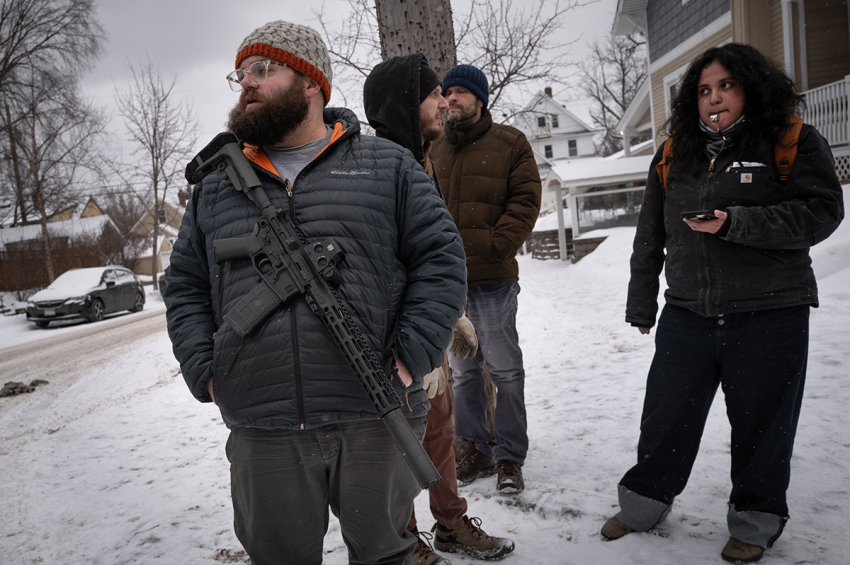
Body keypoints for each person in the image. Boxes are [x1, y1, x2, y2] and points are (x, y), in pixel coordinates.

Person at [164, 21, 467, 565]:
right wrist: (207, 368)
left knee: (386, 554)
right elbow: (184, 283)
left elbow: (441, 262)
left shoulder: (387, 165)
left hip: (378, 413)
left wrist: (409, 357)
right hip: (264, 424)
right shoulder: (215, 187)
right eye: (241, 74)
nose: (246, 84)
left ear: (312, 81)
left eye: (263, 69)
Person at [601, 43, 844, 563]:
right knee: (666, 415)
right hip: (688, 310)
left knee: (762, 424)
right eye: (705, 89)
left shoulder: (791, 141)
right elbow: (650, 234)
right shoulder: (675, 153)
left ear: (751, 87)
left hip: (770, 312)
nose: (714, 99)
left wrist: (737, 223)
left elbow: (822, 212)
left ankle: (756, 522)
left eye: (726, 86)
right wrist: (642, 302)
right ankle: (644, 502)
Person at [364, 54, 515, 564]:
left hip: (431, 334)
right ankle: (404, 541)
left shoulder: (423, 157)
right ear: (406, 104)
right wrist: (412, 344)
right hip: (396, 345)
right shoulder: (378, 166)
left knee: (441, 431)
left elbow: (428, 254)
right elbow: (383, 268)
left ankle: (450, 525)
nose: (445, 101)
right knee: (400, 443)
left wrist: (451, 317)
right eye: (433, 95)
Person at [431, 64, 542, 494]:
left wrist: (497, 246)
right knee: (462, 372)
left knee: (506, 370)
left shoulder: (510, 142)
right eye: (447, 92)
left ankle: (510, 456)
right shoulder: (436, 148)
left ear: (480, 98)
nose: (451, 99)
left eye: (460, 92)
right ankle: (473, 447)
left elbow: (527, 199)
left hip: (492, 280)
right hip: (447, 284)